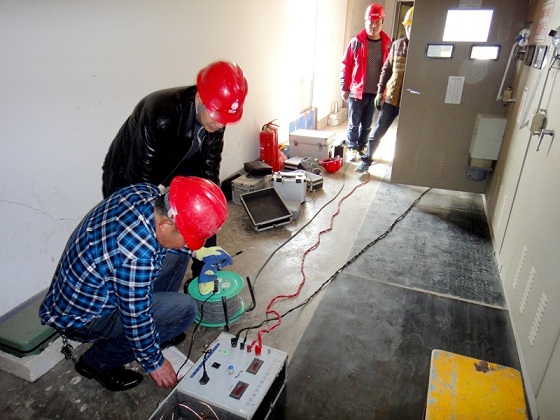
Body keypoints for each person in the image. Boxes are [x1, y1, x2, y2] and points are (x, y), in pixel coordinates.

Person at [39, 176, 231, 392]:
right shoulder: (136, 257)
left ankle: (161, 326)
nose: (191, 244)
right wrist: (153, 361)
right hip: (84, 320)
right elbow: (136, 317)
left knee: (177, 255)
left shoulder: (146, 193)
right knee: (185, 310)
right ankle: (97, 362)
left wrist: (199, 251)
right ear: (166, 224)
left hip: (99, 286)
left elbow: (163, 245)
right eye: (189, 239)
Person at [101, 60, 248, 280]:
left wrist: (205, 255)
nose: (220, 125)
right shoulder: (160, 114)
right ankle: (136, 287)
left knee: (204, 204)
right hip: (128, 175)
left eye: (226, 120)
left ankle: (202, 272)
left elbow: (209, 182)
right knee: (140, 236)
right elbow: (140, 188)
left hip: (179, 161)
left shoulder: (217, 116)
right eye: (218, 117)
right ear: (201, 98)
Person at [356, 7, 413, 173]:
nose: (410, 30)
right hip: (392, 98)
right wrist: (380, 91)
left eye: (413, 27)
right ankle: (366, 160)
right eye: (408, 27)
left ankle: (403, 166)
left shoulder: (423, 49)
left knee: (406, 136)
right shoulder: (397, 45)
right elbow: (386, 70)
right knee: (378, 130)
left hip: (412, 101)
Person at [340, 3, 391, 163]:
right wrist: (344, 87)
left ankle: (362, 146)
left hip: (375, 93)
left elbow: (390, 69)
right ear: (365, 21)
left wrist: (386, 92)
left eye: (377, 22)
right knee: (353, 124)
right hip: (357, 91)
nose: (374, 26)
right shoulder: (356, 42)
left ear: (382, 22)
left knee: (367, 124)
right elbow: (346, 65)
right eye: (371, 22)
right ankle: (352, 147)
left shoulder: (387, 44)